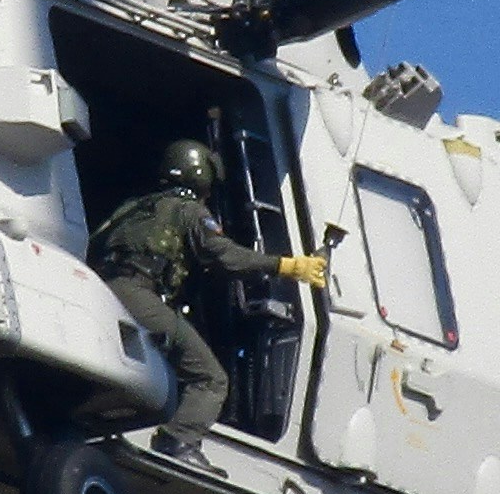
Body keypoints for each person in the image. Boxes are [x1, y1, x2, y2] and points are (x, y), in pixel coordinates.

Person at [86, 135, 328, 452]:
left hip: (100, 290)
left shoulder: (134, 207)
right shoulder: (190, 212)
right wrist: (287, 266)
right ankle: (179, 440)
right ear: (201, 176)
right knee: (211, 379)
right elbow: (226, 256)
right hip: (139, 295)